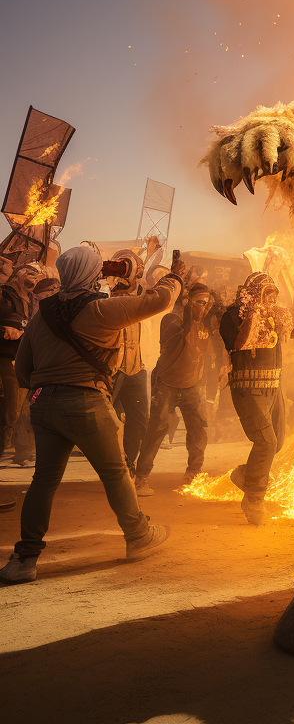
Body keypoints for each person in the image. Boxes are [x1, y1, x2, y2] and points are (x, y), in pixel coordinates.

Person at [0, 247, 183, 584]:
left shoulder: (42, 314)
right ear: (91, 273)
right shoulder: (100, 310)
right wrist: (174, 276)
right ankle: (139, 537)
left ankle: (24, 559)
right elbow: (159, 301)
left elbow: (23, 370)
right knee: (115, 472)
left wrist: (48, 384)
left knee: (44, 480)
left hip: (43, 406)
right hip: (85, 401)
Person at [219, 272, 294, 525]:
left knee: (276, 443)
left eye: (273, 293)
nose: (271, 298)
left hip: (273, 388)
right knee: (266, 442)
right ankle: (254, 501)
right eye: (266, 292)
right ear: (253, 292)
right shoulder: (233, 315)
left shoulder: (273, 315)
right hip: (249, 389)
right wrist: (253, 312)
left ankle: (246, 476)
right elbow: (241, 343)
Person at [134, 282, 214, 493]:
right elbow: (174, 342)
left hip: (193, 385)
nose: (203, 308)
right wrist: (190, 315)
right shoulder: (172, 319)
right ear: (188, 302)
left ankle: (193, 474)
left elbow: (206, 354)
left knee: (197, 431)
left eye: (207, 304)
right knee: (156, 431)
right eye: (199, 303)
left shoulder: (205, 324)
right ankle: (141, 476)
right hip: (166, 384)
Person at [1, 262, 59, 464]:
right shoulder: (6, 296)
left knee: (27, 407)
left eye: (35, 273)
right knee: (12, 410)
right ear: (17, 274)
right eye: (27, 271)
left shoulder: (36, 298)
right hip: (11, 357)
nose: (31, 277)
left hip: (33, 359)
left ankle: (24, 452)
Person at [107, 249, 151, 476]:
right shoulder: (107, 291)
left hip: (136, 367)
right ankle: (115, 466)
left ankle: (128, 463)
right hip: (111, 369)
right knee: (109, 422)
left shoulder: (144, 294)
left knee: (140, 419)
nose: (136, 273)